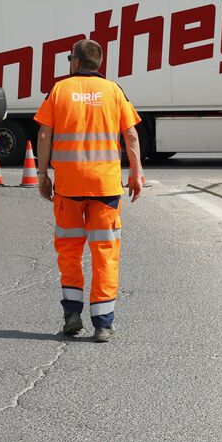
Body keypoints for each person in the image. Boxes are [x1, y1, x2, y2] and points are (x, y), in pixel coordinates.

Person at [34, 39, 143, 343]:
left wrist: (43, 175)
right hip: (105, 187)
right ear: (99, 63)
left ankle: (72, 316)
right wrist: (137, 175)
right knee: (104, 254)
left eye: (70, 59)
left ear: (77, 63)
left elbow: (44, 133)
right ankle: (103, 324)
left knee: (69, 252)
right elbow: (131, 135)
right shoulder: (113, 91)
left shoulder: (60, 90)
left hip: (69, 187)